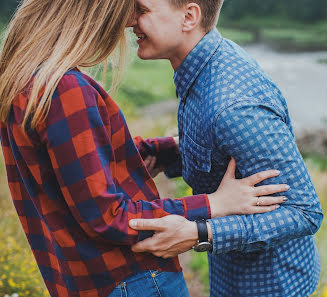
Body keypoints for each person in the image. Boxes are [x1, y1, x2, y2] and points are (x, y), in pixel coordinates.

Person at [0, 1, 289, 296]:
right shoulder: (66, 90)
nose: (128, 24)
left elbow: (81, 165)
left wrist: (173, 148)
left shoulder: (27, 81)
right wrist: (215, 204)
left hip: (83, 280)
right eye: (126, 11)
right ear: (93, 15)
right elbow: (109, 215)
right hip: (132, 281)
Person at [126, 0, 324, 296]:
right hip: (231, 274)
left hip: (269, 286)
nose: (131, 20)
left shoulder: (233, 106)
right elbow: (219, 151)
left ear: (189, 17)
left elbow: (305, 211)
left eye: (142, 9)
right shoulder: (202, 66)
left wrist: (200, 233)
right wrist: (165, 155)